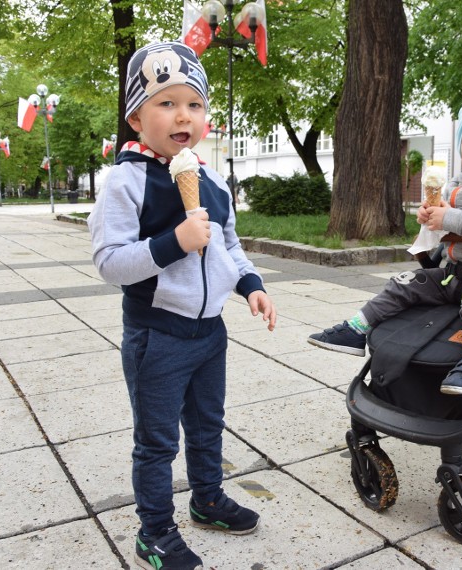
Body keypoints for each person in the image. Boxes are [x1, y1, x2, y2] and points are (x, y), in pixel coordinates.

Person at [89, 41, 276, 570]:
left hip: (209, 333)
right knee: (156, 441)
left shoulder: (213, 180)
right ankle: (154, 531)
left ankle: (207, 499)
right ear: (136, 118)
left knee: (207, 424)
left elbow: (230, 246)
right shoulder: (124, 181)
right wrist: (174, 242)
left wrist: (251, 284)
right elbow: (109, 261)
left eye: (194, 104)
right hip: (158, 335)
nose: (183, 115)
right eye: (166, 104)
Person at [308, 92, 462, 396]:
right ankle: (357, 329)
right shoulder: (458, 183)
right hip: (457, 273)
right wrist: (430, 218)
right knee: (406, 281)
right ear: (461, 147)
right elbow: (446, 220)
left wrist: (449, 218)